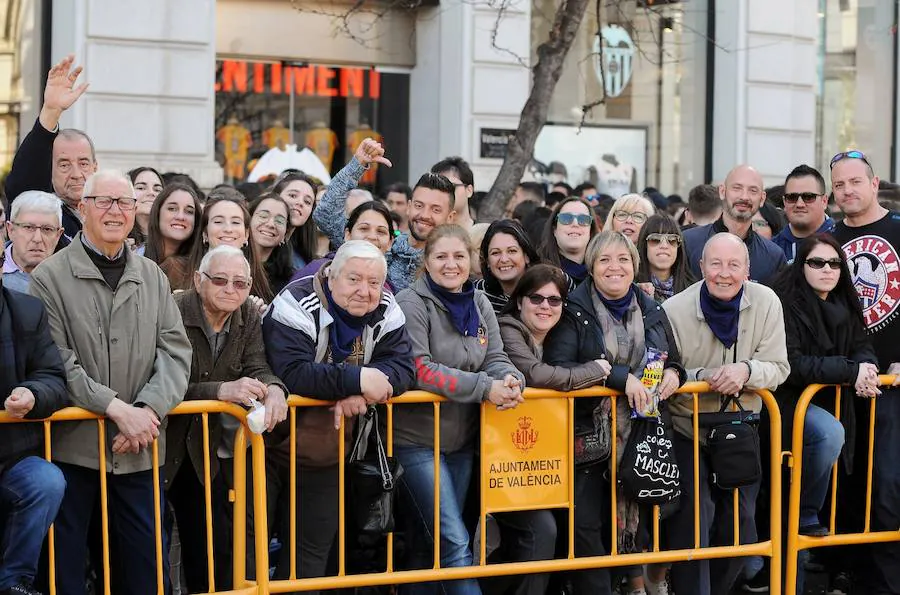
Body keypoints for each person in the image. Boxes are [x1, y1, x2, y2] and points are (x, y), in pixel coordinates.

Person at [29, 169, 192, 595]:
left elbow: (176, 352)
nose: (114, 211)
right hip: (73, 452)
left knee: (144, 576)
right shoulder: (49, 277)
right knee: (66, 576)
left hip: (139, 450)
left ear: (136, 211)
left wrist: (147, 411)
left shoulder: (153, 277)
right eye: (103, 201)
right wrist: (117, 409)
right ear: (81, 209)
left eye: (123, 203)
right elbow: (56, 360)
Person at [262, 240, 416, 589]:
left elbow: (405, 369)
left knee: (310, 556)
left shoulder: (387, 305)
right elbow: (291, 372)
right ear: (330, 275)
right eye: (354, 279)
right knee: (248, 552)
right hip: (265, 445)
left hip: (326, 450)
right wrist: (358, 379)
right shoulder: (295, 301)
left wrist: (357, 391)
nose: (365, 291)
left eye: (374, 282)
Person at [544, 230, 684, 595]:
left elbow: (674, 358)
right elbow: (561, 365)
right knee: (588, 528)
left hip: (641, 436)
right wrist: (621, 380)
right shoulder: (574, 307)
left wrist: (673, 374)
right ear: (591, 266)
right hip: (589, 437)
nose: (614, 267)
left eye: (623, 259)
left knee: (633, 527)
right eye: (604, 259)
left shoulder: (650, 306)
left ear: (634, 265)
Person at [395, 224, 525, 595]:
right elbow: (421, 370)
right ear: (426, 261)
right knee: (453, 541)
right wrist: (486, 387)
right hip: (417, 441)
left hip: (462, 441)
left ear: (471, 261)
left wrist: (511, 379)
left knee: (428, 541)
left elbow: (495, 356)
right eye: (441, 256)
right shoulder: (411, 302)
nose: (451, 265)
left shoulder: (479, 301)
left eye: (458, 256)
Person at [661, 233, 790, 595]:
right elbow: (673, 369)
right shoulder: (674, 309)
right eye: (715, 263)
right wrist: (708, 379)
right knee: (695, 519)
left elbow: (779, 368)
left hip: (740, 429)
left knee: (741, 525)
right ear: (701, 267)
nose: (724, 273)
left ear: (747, 270)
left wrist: (747, 371)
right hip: (689, 427)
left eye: (734, 265)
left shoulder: (767, 302)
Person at [166, 245, 288, 593]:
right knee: (152, 552)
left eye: (241, 283)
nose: (230, 290)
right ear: (198, 280)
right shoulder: (171, 310)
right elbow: (157, 384)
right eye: (220, 280)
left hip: (205, 454)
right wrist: (218, 391)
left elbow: (258, 366)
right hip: (159, 445)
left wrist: (275, 388)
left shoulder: (248, 315)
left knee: (210, 553)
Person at [771, 234, 878, 592]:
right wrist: (850, 371)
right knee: (828, 434)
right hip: (788, 406)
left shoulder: (847, 304)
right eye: (817, 262)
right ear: (801, 266)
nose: (827, 270)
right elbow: (795, 364)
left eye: (834, 263)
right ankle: (804, 511)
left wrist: (865, 368)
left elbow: (864, 346)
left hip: (835, 408)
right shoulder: (785, 303)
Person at [829, 150, 900, 593]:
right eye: (839, 184)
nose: (848, 190)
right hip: (844, 380)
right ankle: (850, 571)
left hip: (894, 384)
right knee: (850, 484)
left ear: (874, 184)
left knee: (889, 484)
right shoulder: (827, 241)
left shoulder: (898, 230)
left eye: (856, 181)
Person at [0, 263, 68, 595]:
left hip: (12, 455)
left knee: (46, 480)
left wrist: (32, 393)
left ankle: (14, 582)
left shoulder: (26, 310)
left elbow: (53, 377)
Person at [314, 139, 455, 291]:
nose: (424, 215)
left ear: (450, 217)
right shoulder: (380, 245)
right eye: (419, 205)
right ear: (408, 207)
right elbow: (325, 214)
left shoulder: (451, 264)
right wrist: (357, 164)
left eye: (435, 209)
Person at [5, 55, 91, 241]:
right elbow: (24, 187)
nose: (76, 174)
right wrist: (51, 113)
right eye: (64, 165)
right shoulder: (44, 212)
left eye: (83, 163)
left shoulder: (110, 213)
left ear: (95, 167)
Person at [682, 165, 786, 285]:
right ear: (722, 191)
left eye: (753, 190)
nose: (744, 197)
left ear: (762, 199)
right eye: (737, 188)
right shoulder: (688, 243)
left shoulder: (773, 256)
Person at [161, 194, 274, 302]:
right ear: (205, 233)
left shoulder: (258, 279)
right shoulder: (175, 269)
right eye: (218, 221)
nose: (228, 229)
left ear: (246, 234)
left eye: (235, 222)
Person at [293, 200, 397, 284]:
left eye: (381, 231)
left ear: (390, 242)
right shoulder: (315, 273)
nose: (372, 237)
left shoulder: (388, 288)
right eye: (364, 228)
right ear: (348, 235)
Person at [2, 191, 64, 294]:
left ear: (58, 235)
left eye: (47, 229)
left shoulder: (72, 274)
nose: (37, 239)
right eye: (28, 227)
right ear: (11, 230)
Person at [772, 165, 836, 264]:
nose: (799, 204)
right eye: (792, 197)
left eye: (808, 197)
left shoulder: (843, 241)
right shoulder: (772, 249)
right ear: (784, 202)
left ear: (824, 201)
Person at [474, 219, 541, 313]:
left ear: (526, 256)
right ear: (487, 261)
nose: (504, 259)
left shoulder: (548, 286)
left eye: (512, 251)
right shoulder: (476, 292)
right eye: (495, 253)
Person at [538, 197, 598, 288]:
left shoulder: (602, 275)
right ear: (554, 229)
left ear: (591, 230)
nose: (575, 223)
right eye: (566, 218)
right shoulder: (537, 273)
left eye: (583, 219)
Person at [634, 214, 695, 302]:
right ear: (644, 245)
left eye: (672, 240)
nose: (664, 246)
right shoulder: (632, 288)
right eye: (655, 239)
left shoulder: (693, 290)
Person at [143, 183, 202, 266]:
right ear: (158, 213)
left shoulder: (204, 266)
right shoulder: (134, 258)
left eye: (189, 211)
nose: (180, 217)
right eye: (172, 209)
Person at [272, 171, 320, 269]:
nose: (300, 203)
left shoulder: (302, 263)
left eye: (307, 201)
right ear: (276, 196)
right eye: (293, 195)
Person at [248, 193, 295, 293]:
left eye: (279, 221)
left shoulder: (290, 281)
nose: (271, 224)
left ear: (285, 234)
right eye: (263, 216)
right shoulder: (231, 264)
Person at [432, 157, 476, 229]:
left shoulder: (484, 235)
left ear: (469, 191)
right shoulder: (427, 234)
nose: (444, 193)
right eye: (437, 188)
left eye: (450, 187)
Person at [129, 167, 164, 253]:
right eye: (141, 188)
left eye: (157, 190)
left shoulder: (172, 239)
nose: (151, 193)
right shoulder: (118, 238)